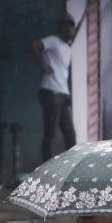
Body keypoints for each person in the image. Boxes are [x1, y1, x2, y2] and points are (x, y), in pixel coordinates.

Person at [31, 19, 77, 162]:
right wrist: (43, 65)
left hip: (62, 94)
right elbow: (34, 45)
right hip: (51, 92)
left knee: (70, 134)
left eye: (73, 28)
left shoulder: (67, 47)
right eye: (69, 28)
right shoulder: (53, 41)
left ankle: (72, 166)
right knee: (50, 134)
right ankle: (46, 167)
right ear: (62, 29)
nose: (72, 31)